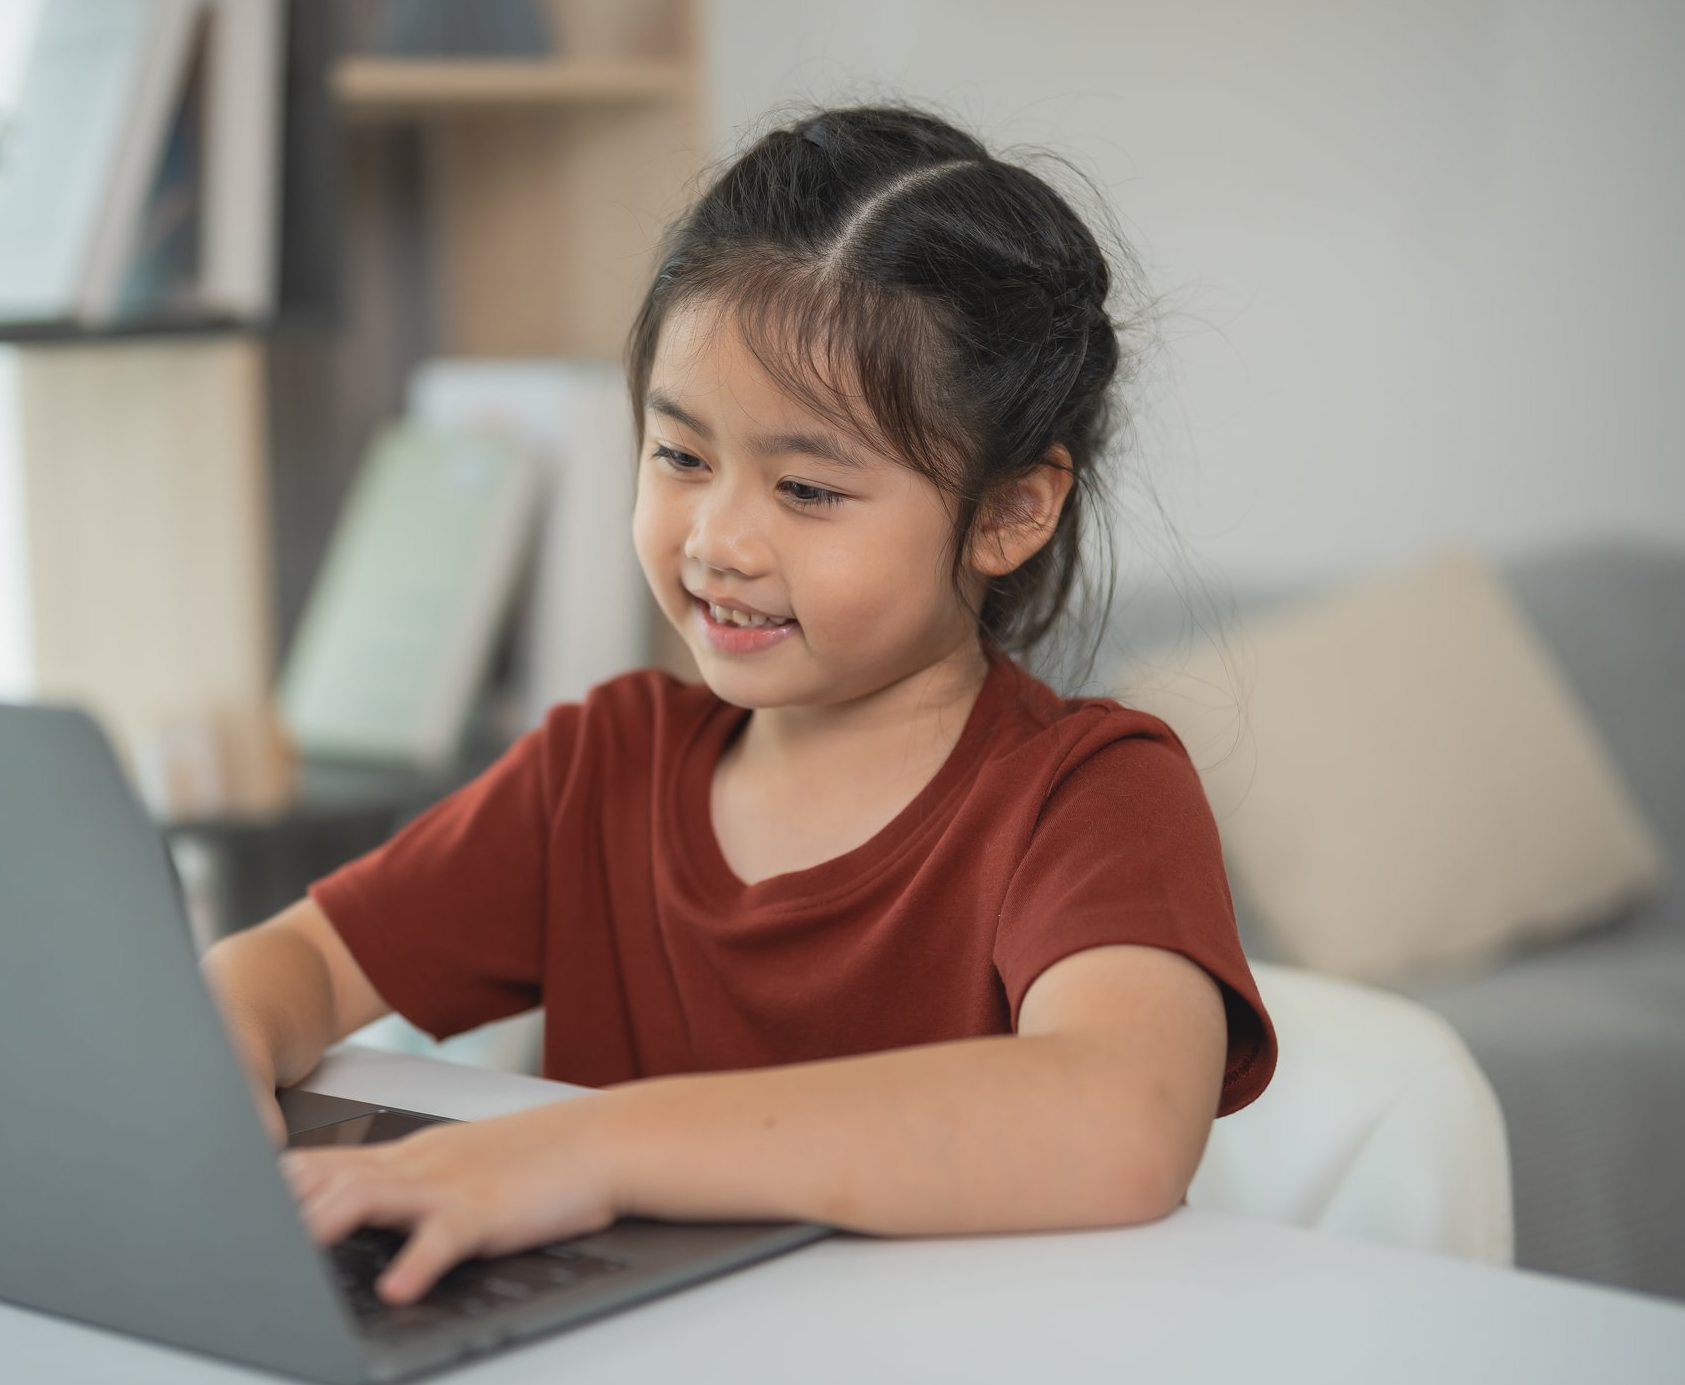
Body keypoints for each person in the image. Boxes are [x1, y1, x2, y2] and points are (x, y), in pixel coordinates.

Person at [201, 104, 1277, 1308]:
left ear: (1012, 511)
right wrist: (227, 1043)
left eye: (808, 487)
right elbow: (294, 959)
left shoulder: (1094, 793)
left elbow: (1117, 1119)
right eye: (680, 456)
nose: (718, 539)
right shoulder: (601, 767)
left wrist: (588, 1150)